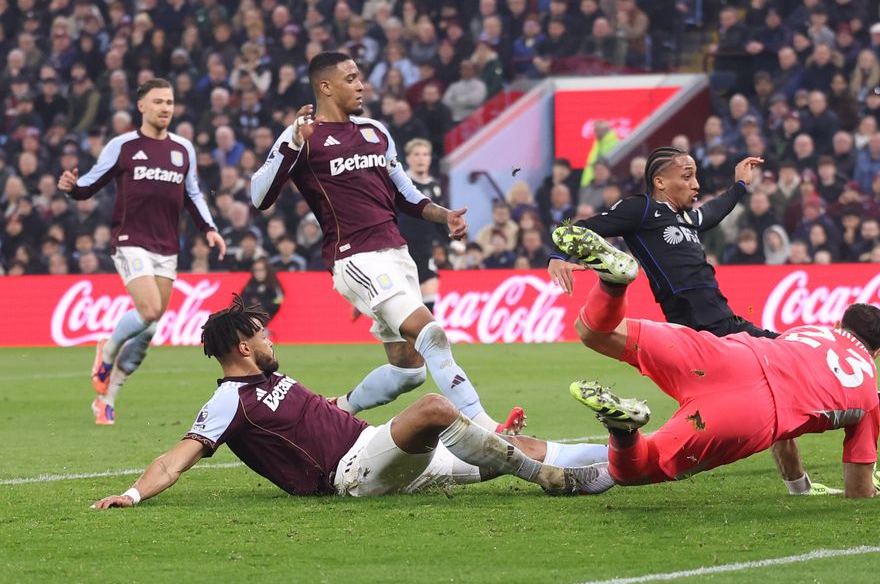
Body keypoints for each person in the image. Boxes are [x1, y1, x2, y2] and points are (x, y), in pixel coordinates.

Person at [548, 146, 880, 494]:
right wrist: (561, 256)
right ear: (660, 181)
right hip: (707, 332)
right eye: (687, 176)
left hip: (724, 324)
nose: (695, 184)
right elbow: (587, 227)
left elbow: (716, 210)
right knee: (827, 374)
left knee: (785, 392)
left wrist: (740, 184)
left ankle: (799, 485)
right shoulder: (642, 210)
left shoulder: (687, 218)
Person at [90, 296, 611, 509]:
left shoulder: (275, 380)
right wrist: (132, 495)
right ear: (244, 348)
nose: (273, 343)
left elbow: (316, 415)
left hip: (380, 454)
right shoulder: (228, 402)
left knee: (515, 445)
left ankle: (625, 464)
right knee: (433, 407)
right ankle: (548, 481)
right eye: (264, 337)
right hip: (353, 472)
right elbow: (174, 458)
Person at [251, 52, 519, 430]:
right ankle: (487, 428)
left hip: (396, 254)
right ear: (325, 86)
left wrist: (445, 216)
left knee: (409, 371)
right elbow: (259, 197)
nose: (361, 84)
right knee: (432, 333)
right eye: (351, 78)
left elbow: (405, 194)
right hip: (355, 258)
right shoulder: (304, 136)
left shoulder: (375, 132)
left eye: (360, 76)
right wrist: (292, 142)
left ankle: (336, 409)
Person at [563, 249, 880, 496]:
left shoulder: (812, 332)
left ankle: (612, 283)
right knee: (635, 470)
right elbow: (858, 485)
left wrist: (799, 487)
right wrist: (861, 494)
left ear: (838, 325)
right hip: (752, 412)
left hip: (728, 354)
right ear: (877, 353)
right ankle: (623, 430)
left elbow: (786, 434)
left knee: (595, 332)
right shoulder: (867, 392)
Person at [58, 78, 227, 426]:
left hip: (167, 246)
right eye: (159, 101)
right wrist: (73, 189)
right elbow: (90, 183)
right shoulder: (123, 146)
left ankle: (106, 399)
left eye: (170, 102)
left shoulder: (183, 149)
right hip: (130, 239)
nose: (166, 107)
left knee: (148, 330)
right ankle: (105, 351)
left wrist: (209, 230)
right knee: (149, 309)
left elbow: (193, 194)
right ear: (142, 107)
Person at [395, 138, 446, 313]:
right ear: (407, 159)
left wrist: (450, 242)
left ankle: (425, 336)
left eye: (425, 154)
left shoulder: (435, 187)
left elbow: (439, 219)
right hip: (401, 247)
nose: (421, 159)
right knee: (405, 300)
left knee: (431, 283)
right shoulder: (400, 184)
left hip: (425, 248)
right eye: (416, 154)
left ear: (430, 158)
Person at [241, 258, 284, 323]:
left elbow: (278, 301)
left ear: (267, 271)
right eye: (256, 270)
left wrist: (262, 304)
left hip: (268, 316)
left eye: (261, 270)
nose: (258, 273)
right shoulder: (250, 285)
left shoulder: (274, 285)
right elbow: (242, 300)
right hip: (249, 317)